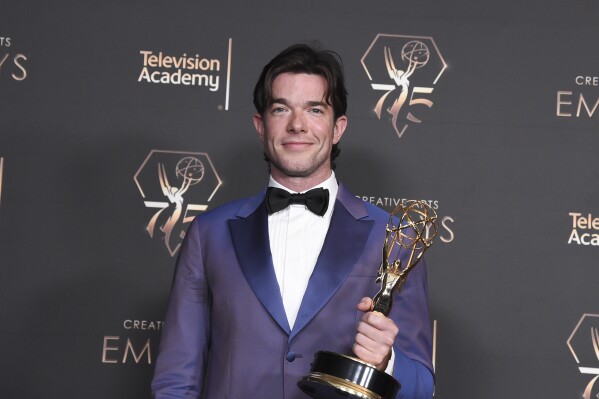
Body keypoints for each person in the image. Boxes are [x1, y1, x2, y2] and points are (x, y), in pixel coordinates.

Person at [151, 43, 434, 399]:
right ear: (260, 123)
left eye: (315, 109)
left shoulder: (395, 236)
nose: (297, 124)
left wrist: (386, 361)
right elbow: (176, 379)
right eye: (281, 108)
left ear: (338, 128)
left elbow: (421, 388)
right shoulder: (210, 233)